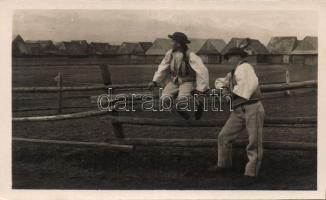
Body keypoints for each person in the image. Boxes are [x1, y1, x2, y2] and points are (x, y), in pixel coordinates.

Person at [209, 43, 265, 183]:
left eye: (230, 57)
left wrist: (228, 93)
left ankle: (251, 174)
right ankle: (224, 165)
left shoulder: (245, 68)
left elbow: (246, 88)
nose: (228, 59)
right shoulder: (234, 71)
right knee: (224, 136)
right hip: (239, 110)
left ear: (238, 57)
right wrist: (224, 89)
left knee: (254, 142)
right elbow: (220, 82)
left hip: (252, 108)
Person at [148, 32, 209, 120]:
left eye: (172, 41)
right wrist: (154, 81)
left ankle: (198, 104)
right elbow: (163, 66)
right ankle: (182, 113)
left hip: (187, 81)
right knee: (164, 99)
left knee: (182, 101)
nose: (171, 43)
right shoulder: (170, 53)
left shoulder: (190, 55)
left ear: (179, 44)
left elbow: (202, 71)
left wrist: (200, 88)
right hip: (174, 81)